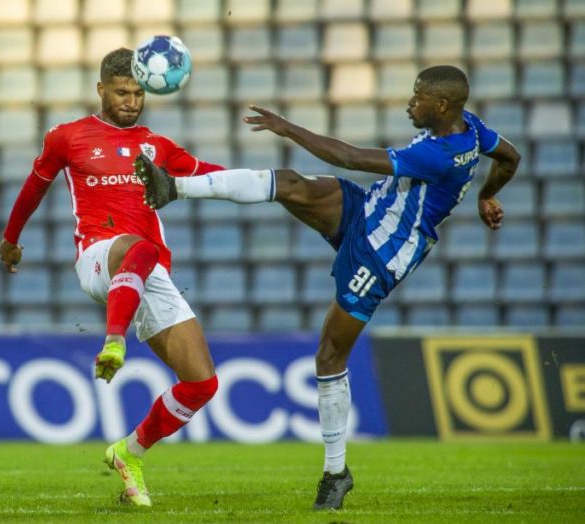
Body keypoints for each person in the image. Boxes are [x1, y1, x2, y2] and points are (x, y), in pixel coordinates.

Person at [136, 65, 521, 510]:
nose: (409, 104)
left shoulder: (441, 154)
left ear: (441, 104)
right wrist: (486, 195)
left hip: (382, 252)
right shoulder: (470, 126)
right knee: (290, 183)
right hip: (369, 210)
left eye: (417, 98)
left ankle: (336, 473)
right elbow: (510, 157)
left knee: (329, 356)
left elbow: (351, 158)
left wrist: (288, 128)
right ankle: (172, 188)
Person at [0, 48, 226, 507]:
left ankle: (129, 452)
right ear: (101, 89)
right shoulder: (67, 137)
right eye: (122, 93)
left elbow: (212, 176)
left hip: (149, 273)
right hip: (99, 258)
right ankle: (114, 341)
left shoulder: (157, 146)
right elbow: (34, 187)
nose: (132, 102)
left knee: (201, 384)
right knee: (138, 246)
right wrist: (11, 238)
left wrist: (272, 185)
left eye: (139, 93)